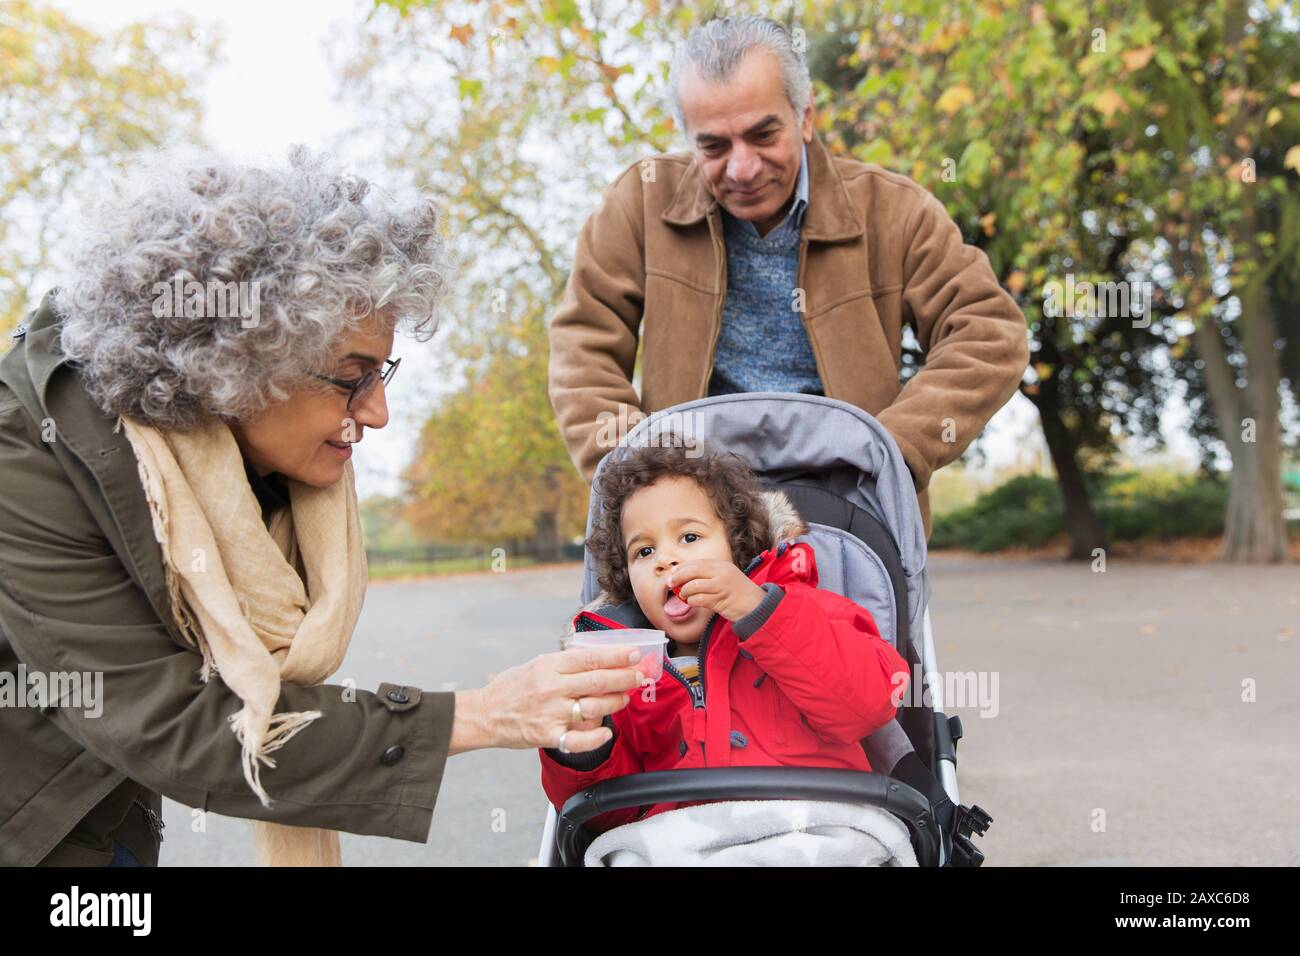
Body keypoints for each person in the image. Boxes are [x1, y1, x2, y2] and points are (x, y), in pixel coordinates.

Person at [0, 147, 640, 867]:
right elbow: (175, 722)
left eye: (382, 372)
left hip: (104, 812)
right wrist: (483, 714)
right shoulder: (24, 454)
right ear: (240, 362)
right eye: (351, 378)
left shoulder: (237, 448)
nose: (379, 414)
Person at [547, 15, 1031, 540]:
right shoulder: (637, 203)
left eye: (762, 134)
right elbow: (582, 347)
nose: (742, 168)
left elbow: (989, 333)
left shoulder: (895, 210)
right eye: (713, 146)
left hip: (853, 508)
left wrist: (889, 451)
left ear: (805, 116)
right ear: (687, 137)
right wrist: (638, 480)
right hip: (689, 511)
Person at [538, 440, 909, 835]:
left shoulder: (808, 610)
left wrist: (758, 610)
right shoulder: (625, 669)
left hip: (816, 831)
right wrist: (584, 747)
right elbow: (603, 818)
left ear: (736, 546)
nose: (665, 560)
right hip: (682, 845)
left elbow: (870, 705)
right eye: (644, 551)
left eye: (690, 538)